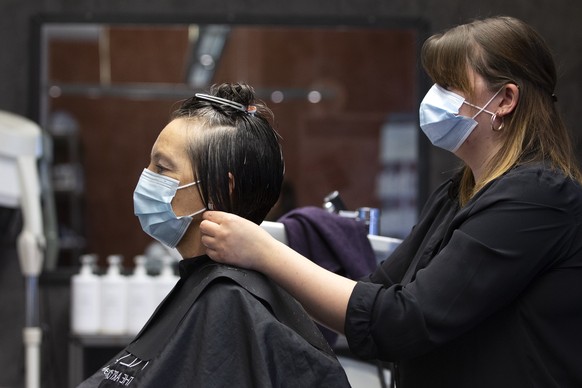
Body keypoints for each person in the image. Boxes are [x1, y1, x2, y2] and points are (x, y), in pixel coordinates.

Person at [200, 16, 582, 388]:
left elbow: (401, 322)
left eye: (450, 85)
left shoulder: (538, 199)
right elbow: (375, 289)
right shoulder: (458, 193)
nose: (434, 98)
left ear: (505, 100)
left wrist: (264, 252)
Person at [78, 83, 351, 387]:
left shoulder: (229, 303)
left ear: (223, 189)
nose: (146, 178)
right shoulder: (215, 291)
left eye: (162, 168)